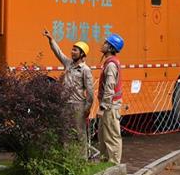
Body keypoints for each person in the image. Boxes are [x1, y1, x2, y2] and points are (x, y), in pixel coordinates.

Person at [43, 29, 94, 157]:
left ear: (82, 54)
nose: (72, 52)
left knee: (79, 133)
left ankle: (82, 159)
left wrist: (87, 109)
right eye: (72, 49)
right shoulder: (68, 64)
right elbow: (58, 53)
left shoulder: (85, 70)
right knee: (65, 132)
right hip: (65, 103)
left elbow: (90, 92)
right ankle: (67, 157)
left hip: (78, 105)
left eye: (75, 50)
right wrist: (51, 39)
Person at [97, 33, 124, 164]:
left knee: (112, 136)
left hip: (110, 106)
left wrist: (103, 107)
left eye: (105, 43)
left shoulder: (111, 65)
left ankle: (114, 164)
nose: (103, 44)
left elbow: (109, 88)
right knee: (103, 136)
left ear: (110, 48)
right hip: (110, 105)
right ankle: (105, 162)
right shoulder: (109, 63)